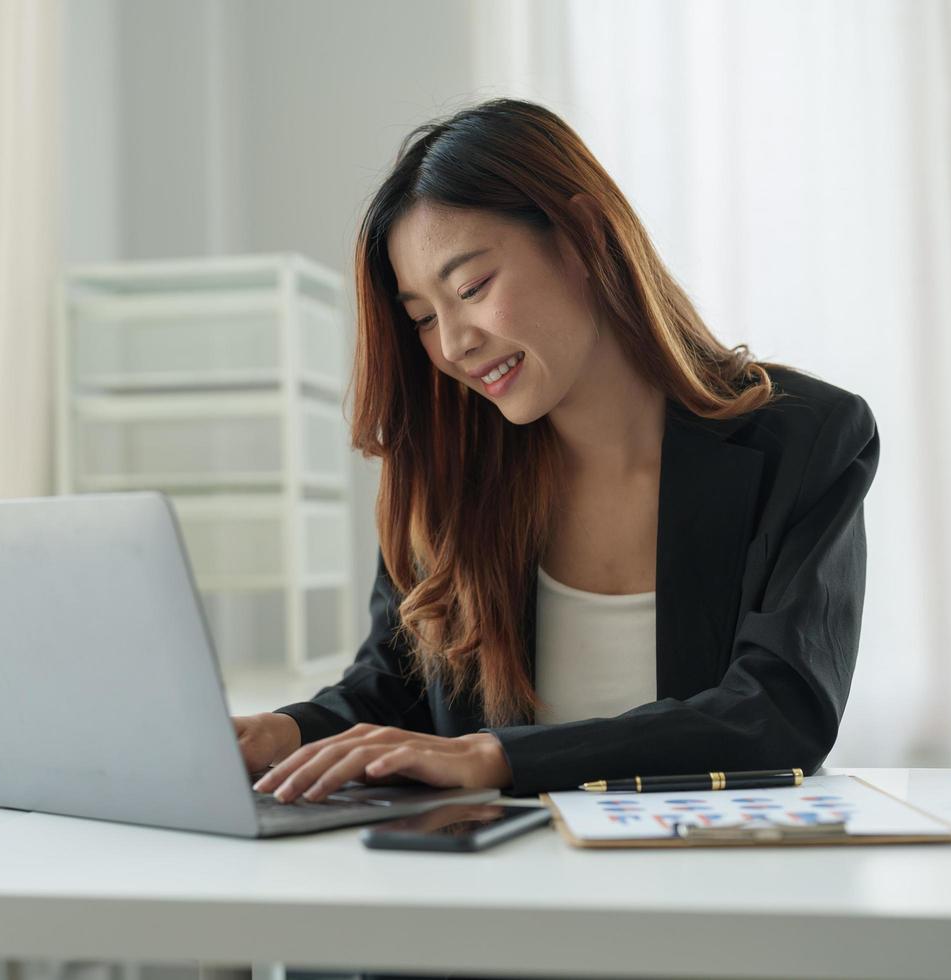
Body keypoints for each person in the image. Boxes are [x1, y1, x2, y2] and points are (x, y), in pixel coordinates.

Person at [234, 96, 880, 809]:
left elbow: (778, 713)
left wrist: (500, 757)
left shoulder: (806, 438)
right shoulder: (450, 476)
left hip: (713, 889)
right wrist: (283, 732)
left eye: (472, 288)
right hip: (506, 892)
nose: (452, 345)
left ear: (583, 237)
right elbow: (394, 691)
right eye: (423, 318)